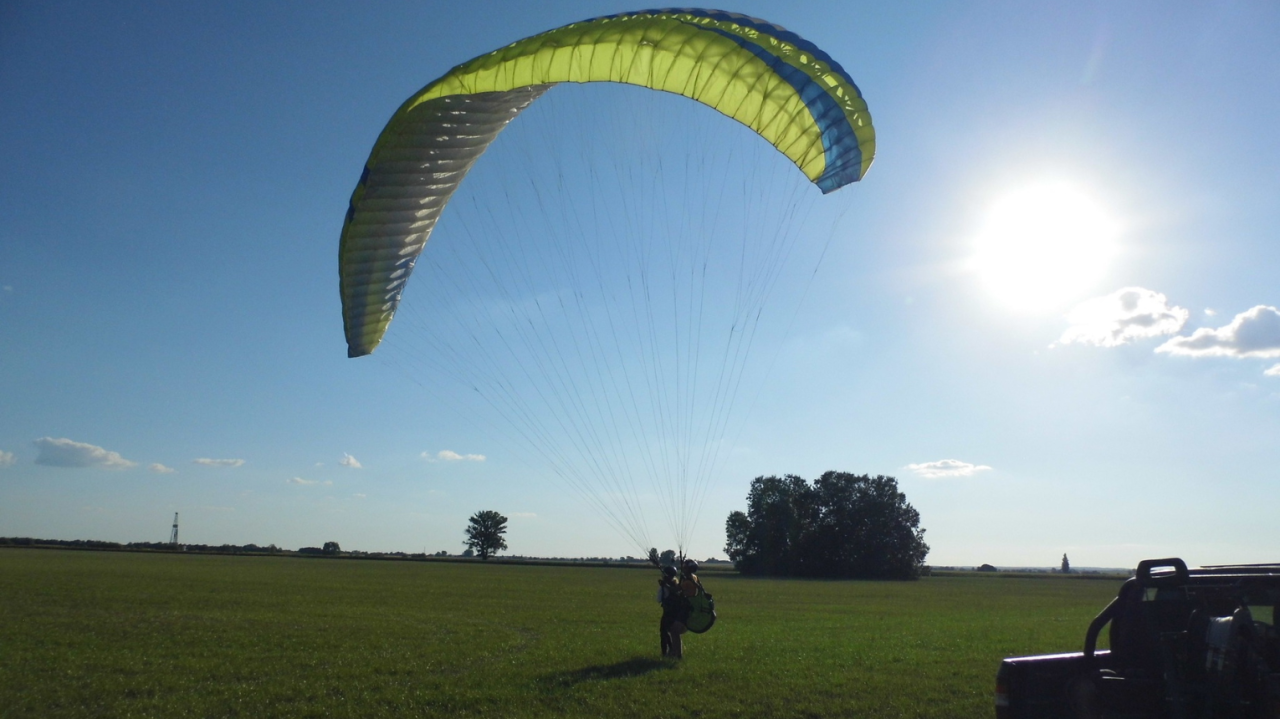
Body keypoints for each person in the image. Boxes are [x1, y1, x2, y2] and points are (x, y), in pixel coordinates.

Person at [656, 564, 682, 657]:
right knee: (670, 631)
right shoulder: (676, 584)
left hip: (667, 613)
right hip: (675, 613)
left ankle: (667, 652)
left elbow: (658, 599)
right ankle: (672, 650)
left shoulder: (665, 587)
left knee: (664, 632)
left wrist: (663, 586)